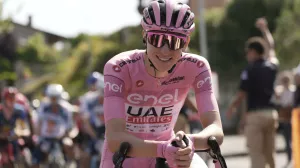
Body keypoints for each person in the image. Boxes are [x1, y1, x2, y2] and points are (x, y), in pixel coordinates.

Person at [101, 0, 224, 168]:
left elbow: (215, 129)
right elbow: (115, 138)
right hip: (125, 156)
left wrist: (188, 143)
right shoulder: (119, 67)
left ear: (186, 42)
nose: (165, 50)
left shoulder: (197, 67)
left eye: (175, 42)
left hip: (171, 152)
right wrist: (162, 149)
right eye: (157, 39)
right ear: (145, 36)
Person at [226, 19, 279, 168]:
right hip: (271, 114)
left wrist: (231, 107)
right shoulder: (272, 65)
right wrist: (265, 30)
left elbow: (241, 94)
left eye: (247, 52)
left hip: (255, 116)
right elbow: (272, 47)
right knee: (270, 152)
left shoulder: (249, 70)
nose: (246, 55)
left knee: (257, 154)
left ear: (253, 52)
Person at [273, 72, 295, 167]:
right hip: (285, 119)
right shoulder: (279, 91)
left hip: (293, 118)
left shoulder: (294, 90)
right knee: (287, 141)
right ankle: (290, 158)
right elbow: (275, 101)